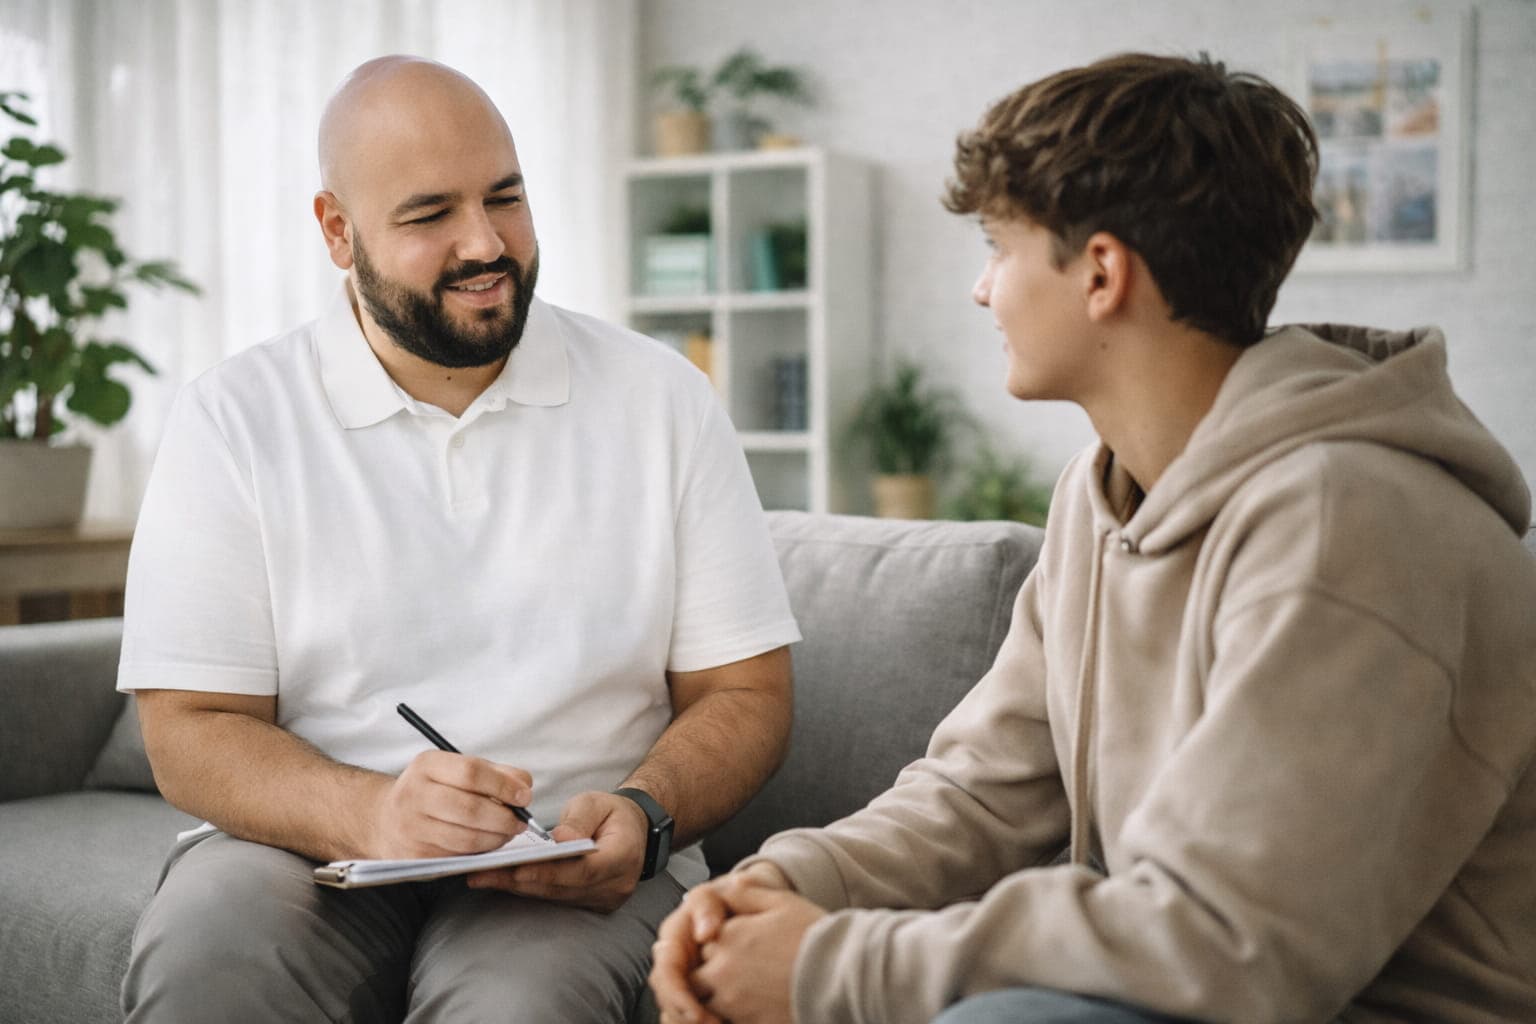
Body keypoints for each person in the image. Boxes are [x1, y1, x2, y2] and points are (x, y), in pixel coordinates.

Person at [650, 52, 1536, 1024]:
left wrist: (832, 964)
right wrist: (787, 884)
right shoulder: (1103, 490)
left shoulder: (1350, 521)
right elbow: (985, 792)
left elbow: (1231, 944)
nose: (982, 290)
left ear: (1103, 272)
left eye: (999, 246)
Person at [117, 55, 800, 1022]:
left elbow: (749, 693)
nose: (486, 243)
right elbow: (185, 729)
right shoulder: (233, 419)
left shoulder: (663, 400)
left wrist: (646, 813)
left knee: (517, 1007)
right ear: (337, 232)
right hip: (312, 850)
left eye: (506, 197)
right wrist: (371, 812)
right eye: (430, 214)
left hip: (575, 864)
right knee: (206, 958)